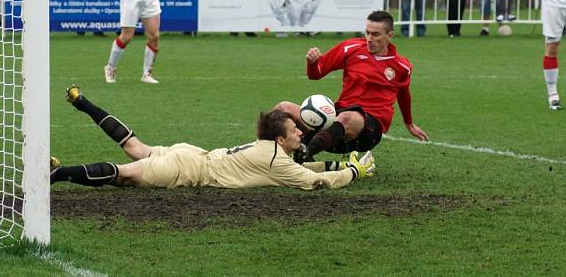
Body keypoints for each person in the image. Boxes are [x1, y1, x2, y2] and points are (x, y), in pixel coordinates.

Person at [51, 85, 375, 190]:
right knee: (124, 174)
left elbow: (309, 168)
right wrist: (352, 172)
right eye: (296, 131)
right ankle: (59, 173)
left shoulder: (270, 150)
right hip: (190, 169)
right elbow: (315, 182)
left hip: (192, 153)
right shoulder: (275, 160)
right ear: (279, 139)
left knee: (134, 145)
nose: (302, 133)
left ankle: (81, 102)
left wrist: (337, 162)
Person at [274, 11, 429, 163]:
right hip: (338, 120)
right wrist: (313, 63)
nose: (369, 38)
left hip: (370, 128)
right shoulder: (351, 48)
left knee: (347, 117)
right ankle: (266, 157)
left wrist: (409, 123)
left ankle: (305, 154)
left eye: (375, 34)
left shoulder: (401, 66)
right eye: (367, 33)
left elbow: (403, 94)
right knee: (283, 108)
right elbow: (317, 73)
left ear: (389, 36)